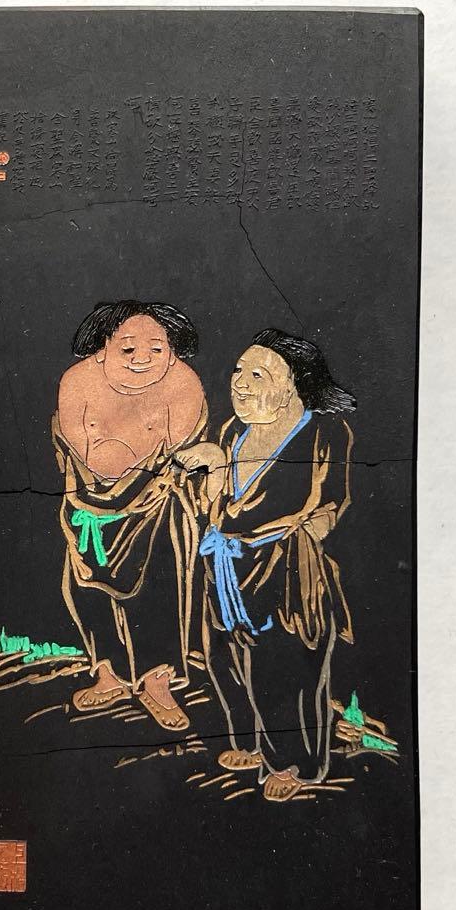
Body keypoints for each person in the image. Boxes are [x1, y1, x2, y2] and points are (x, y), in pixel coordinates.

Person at [177, 329, 355, 801]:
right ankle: (247, 741)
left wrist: (299, 538)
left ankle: (294, 762)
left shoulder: (322, 432)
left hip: (285, 565)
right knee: (226, 655)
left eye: (258, 374)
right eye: (239, 371)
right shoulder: (231, 434)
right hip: (226, 565)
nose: (239, 382)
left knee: (286, 664)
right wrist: (214, 470)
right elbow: (214, 506)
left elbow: (317, 502)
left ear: (293, 385)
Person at [55, 300, 207, 731]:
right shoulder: (76, 381)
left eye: (157, 349)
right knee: (89, 590)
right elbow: (78, 444)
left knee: (159, 589)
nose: (142, 358)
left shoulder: (185, 384)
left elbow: (177, 450)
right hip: (88, 504)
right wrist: (103, 479)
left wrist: (137, 476)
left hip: (154, 507)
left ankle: (156, 680)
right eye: (128, 348)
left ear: (172, 354)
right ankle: (109, 674)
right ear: (102, 348)